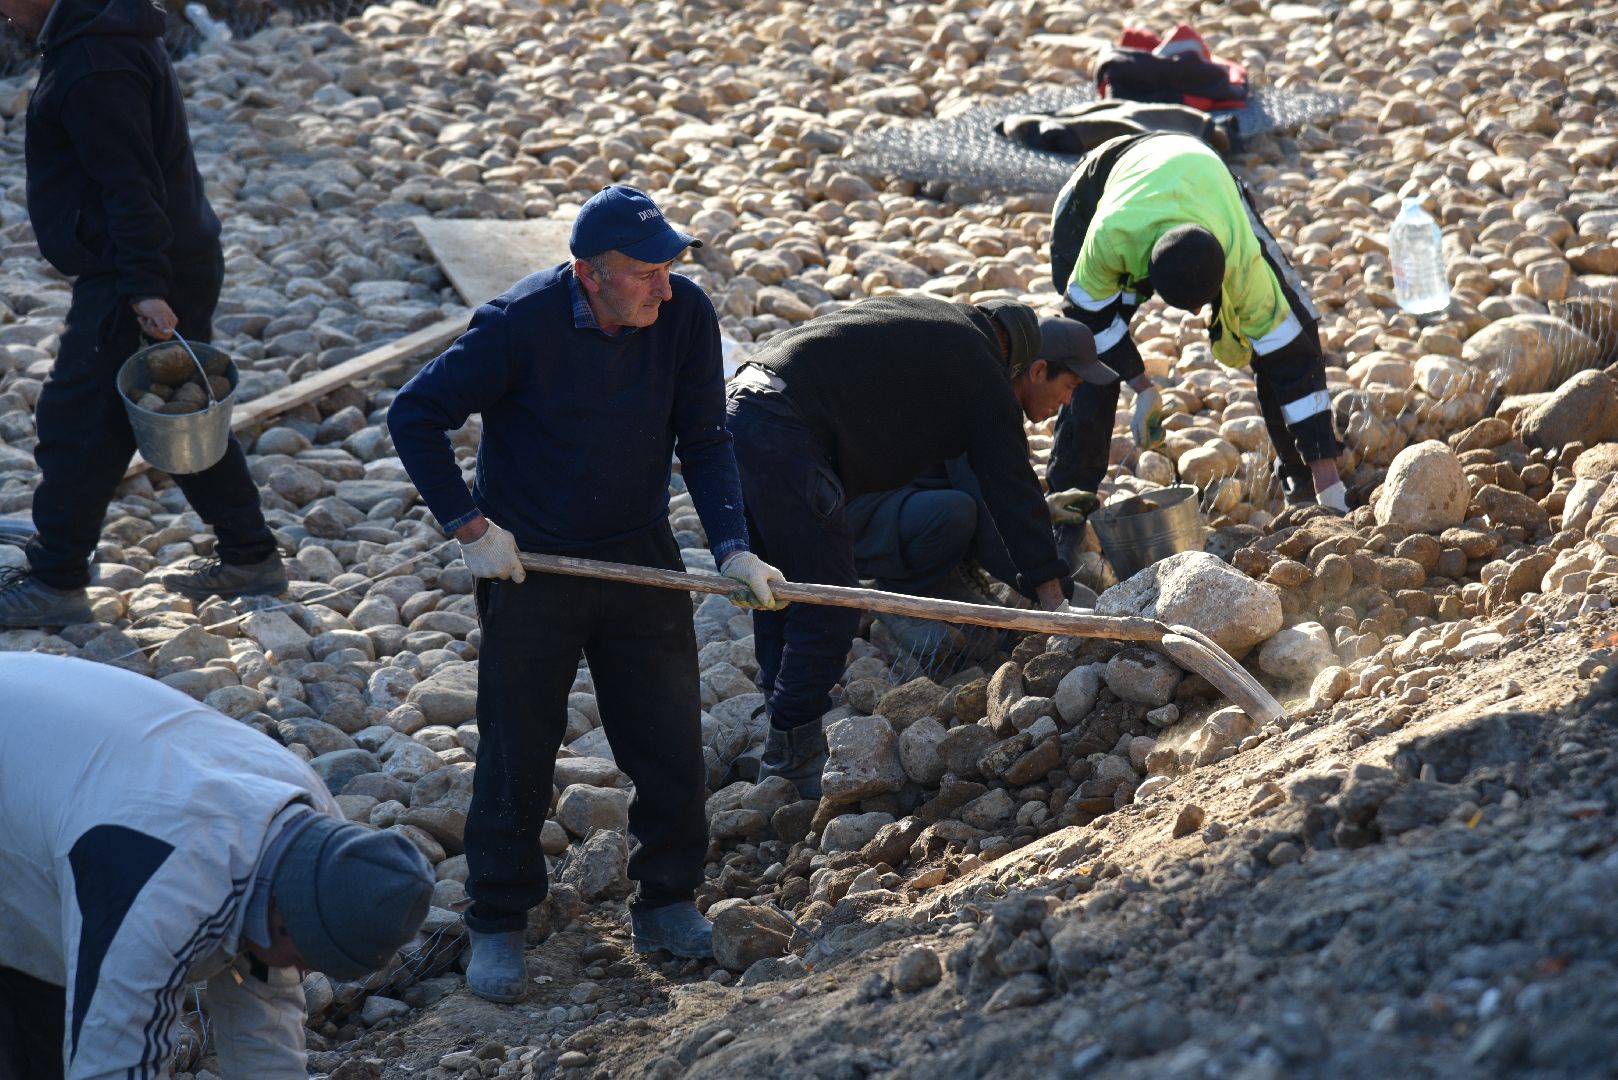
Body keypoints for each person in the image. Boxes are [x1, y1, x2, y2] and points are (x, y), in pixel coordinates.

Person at [387, 185, 784, 1001]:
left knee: (670, 739)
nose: (664, 287)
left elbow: (706, 439)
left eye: (670, 267)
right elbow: (414, 413)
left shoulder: (682, 316)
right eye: (645, 273)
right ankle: (498, 919)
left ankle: (668, 900)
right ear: (588, 273)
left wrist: (735, 548)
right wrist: (470, 529)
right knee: (516, 749)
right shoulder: (517, 326)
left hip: (639, 553)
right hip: (531, 564)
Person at [0, 652, 435, 1080]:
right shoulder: (159, 891)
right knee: (39, 1025)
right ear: (282, 915)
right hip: (29, 750)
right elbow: (114, 1059)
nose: (302, 973)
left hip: (51, 733)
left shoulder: (316, 838)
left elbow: (266, 1009)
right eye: (306, 959)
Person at [726, 297, 1088, 797]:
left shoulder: (938, 325)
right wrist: (1055, 601)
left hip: (739, 407)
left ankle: (781, 725)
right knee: (832, 603)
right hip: (784, 428)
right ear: (1027, 368)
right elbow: (1010, 488)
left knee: (778, 586)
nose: (1067, 403)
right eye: (1068, 388)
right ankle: (789, 759)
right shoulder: (982, 366)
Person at [0, 0, 285, 630]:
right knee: (175, 413)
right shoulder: (100, 32)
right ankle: (250, 555)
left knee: (78, 420)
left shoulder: (93, 61)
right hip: (161, 260)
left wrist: (144, 287)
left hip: (137, 271)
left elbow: (130, 186)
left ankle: (55, 580)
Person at [1045, 131, 1346, 533]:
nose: (1193, 313)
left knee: (1289, 324)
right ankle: (1069, 507)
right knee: (1081, 352)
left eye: (1200, 306)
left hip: (1206, 178)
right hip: (1104, 179)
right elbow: (1089, 323)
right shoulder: (1107, 238)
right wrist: (1141, 385)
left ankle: (1305, 480)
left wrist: (1328, 476)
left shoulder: (1238, 255)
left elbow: (1289, 352)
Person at [846, 318, 1108, 659]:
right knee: (955, 512)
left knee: (960, 508)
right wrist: (1060, 595)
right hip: (853, 524)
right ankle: (902, 591)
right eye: (1070, 386)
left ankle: (943, 570)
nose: (1069, 401)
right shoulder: (980, 403)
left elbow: (1000, 493)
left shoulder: (988, 391)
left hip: (891, 508)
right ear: (1039, 371)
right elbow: (992, 525)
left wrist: (1041, 510)